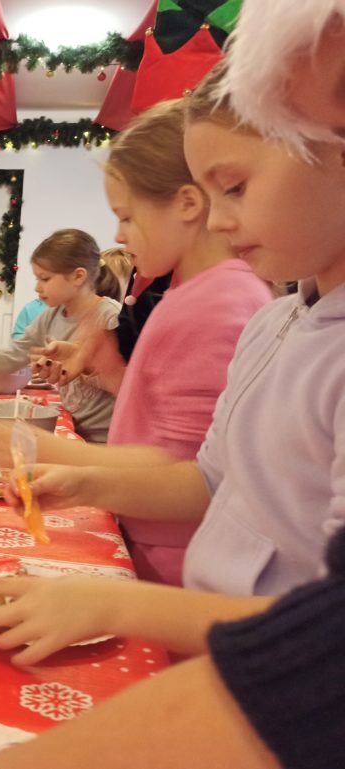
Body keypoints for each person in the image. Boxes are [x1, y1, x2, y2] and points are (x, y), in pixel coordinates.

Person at [0, 58, 345, 668]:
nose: (218, 218)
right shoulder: (275, 318)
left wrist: (113, 603)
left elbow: (325, 630)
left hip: (263, 665)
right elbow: (211, 477)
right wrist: (83, 481)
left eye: (234, 188)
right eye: (213, 195)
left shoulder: (234, 300)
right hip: (205, 628)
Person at [21, 100, 272, 585]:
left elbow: (191, 470)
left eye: (128, 217)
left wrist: (44, 451)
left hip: (173, 552)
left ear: (186, 203)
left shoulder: (218, 298)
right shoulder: (188, 290)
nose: (117, 234)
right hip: (152, 533)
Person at [0, 229, 121, 443]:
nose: (37, 287)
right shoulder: (50, 317)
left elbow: (128, 384)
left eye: (45, 279)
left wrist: (82, 366)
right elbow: (12, 356)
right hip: (71, 429)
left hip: (104, 442)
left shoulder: (111, 317)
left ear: (78, 276)